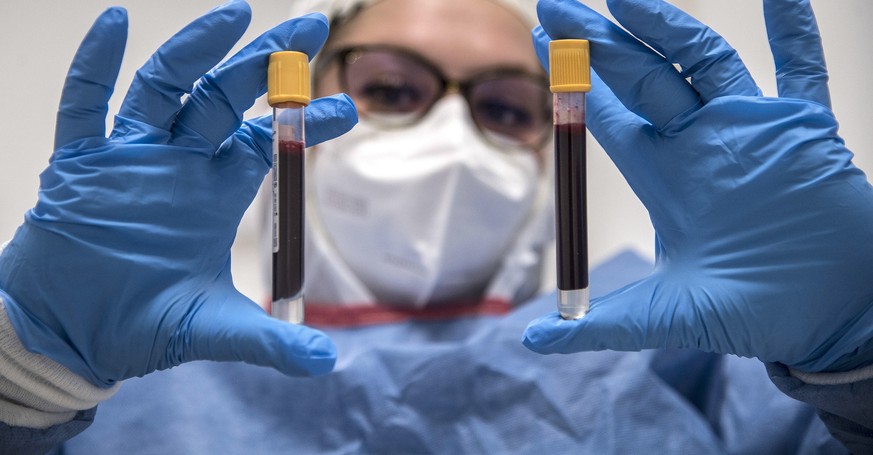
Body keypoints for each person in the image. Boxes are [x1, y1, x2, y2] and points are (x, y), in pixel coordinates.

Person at [0, 1, 868, 454]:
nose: (450, 137)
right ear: (295, 105)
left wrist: (852, 344)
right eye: (389, 90)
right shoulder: (129, 360)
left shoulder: (694, 348)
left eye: (503, 106)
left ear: (551, 141)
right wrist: (28, 378)